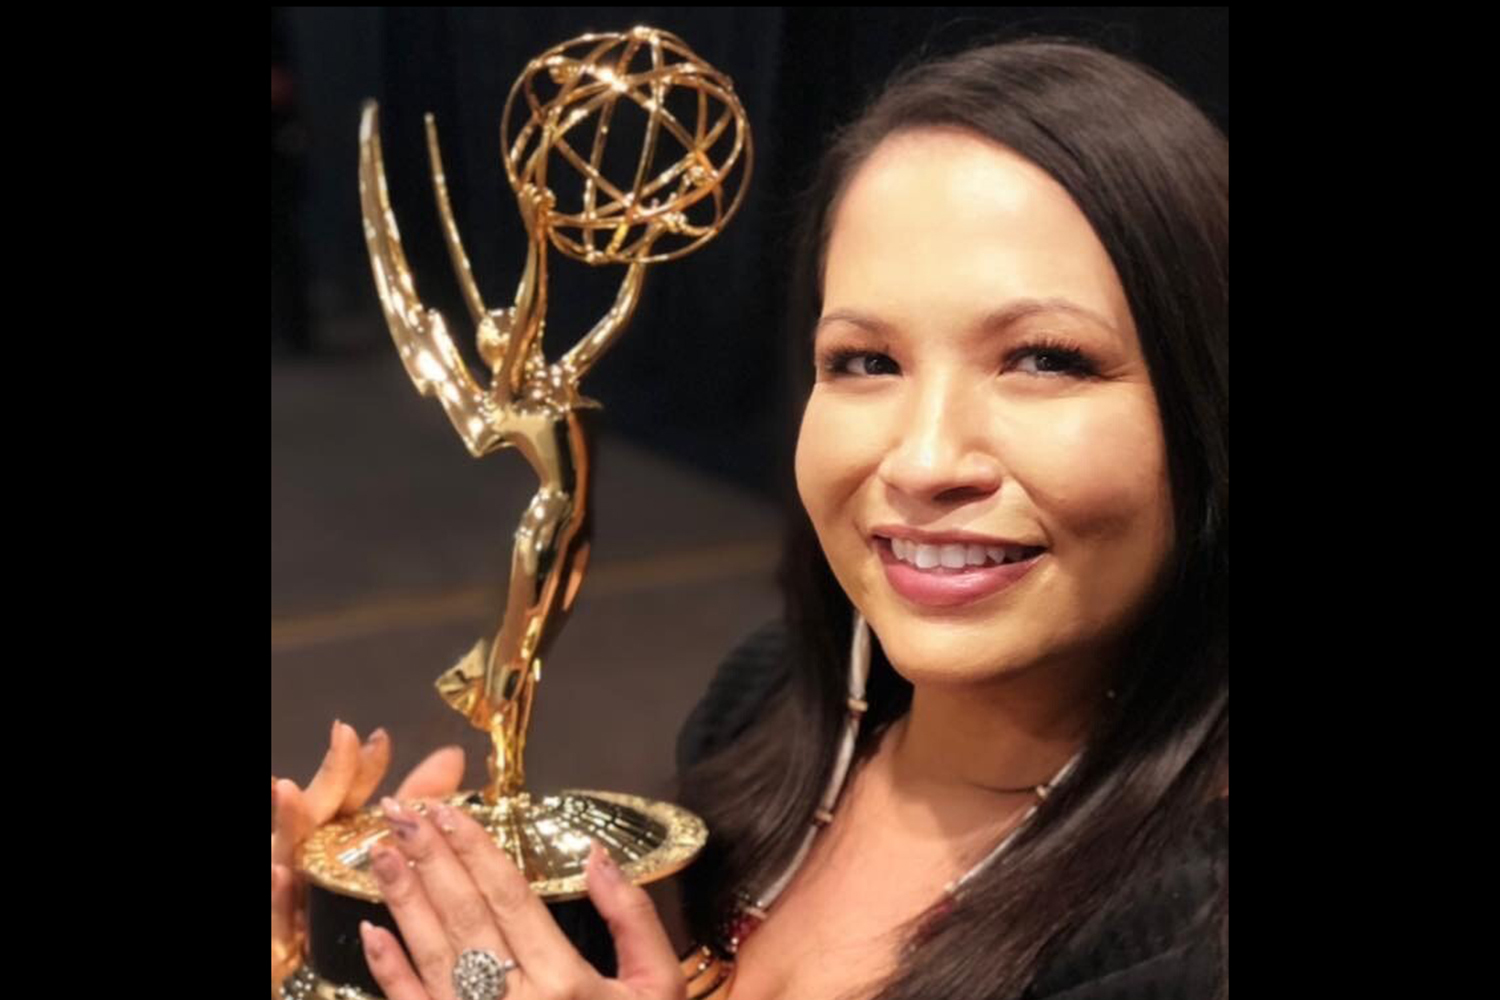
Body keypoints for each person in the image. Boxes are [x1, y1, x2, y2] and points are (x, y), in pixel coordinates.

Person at [272, 35, 1228, 1000]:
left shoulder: (1186, 934)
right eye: (865, 361)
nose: (926, 459)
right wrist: (328, 966)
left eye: (1043, 359)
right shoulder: (765, 709)